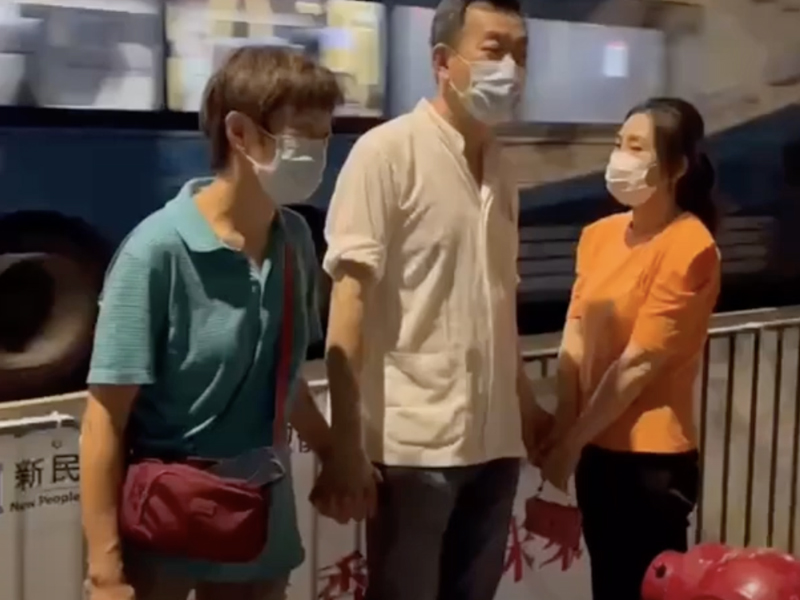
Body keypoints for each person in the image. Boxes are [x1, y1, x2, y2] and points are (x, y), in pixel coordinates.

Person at [80, 47, 344, 600]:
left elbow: (284, 377)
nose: (317, 154)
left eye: (324, 136)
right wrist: (104, 567)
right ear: (240, 133)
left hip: (259, 525)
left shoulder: (294, 240)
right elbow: (105, 416)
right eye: (302, 136)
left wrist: (335, 453)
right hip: (167, 526)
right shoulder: (156, 251)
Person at [317, 0, 552, 598]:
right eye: (494, 51)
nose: (511, 69)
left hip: (496, 445)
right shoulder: (386, 153)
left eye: (521, 54)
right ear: (443, 62)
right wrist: (346, 440)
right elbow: (348, 303)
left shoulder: (502, 168)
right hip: (415, 447)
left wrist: (526, 410)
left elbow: (500, 302)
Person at [540, 97, 722, 600]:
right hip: (596, 454)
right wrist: (566, 428)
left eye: (638, 147)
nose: (621, 156)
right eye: (619, 143)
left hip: (651, 463)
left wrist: (569, 445)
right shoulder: (597, 237)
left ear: (677, 168)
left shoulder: (691, 247)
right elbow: (575, 334)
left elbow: (639, 363)